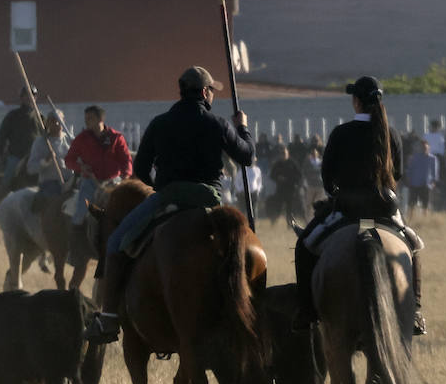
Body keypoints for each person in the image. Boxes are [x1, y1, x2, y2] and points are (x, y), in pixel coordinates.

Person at [84, 66, 252, 343]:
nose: (213, 96)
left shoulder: (160, 123)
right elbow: (247, 157)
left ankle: (109, 319)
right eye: (212, 91)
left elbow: (139, 166)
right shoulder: (219, 123)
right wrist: (242, 127)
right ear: (204, 92)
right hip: (209, 199)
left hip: (168, 197)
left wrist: (159, 187)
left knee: (115, 243)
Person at [293, 76, 424, 334]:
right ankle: (416, 310)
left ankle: (307, 311)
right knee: (415, 246)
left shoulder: (341, 133)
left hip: (348, 209)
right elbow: (396, 174)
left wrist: (337, 193)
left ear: (356, 102)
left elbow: (327, 177)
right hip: (383, 209)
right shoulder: (391, 134)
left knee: (304, 245)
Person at [63, 105, 132, 245]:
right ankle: (76, 247)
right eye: (86, 118)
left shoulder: (116, 137)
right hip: (90, 183)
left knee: (128, 210)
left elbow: (126, 160)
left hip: (113, 183)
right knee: (80, 212)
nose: (87, 121)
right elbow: (69, 160)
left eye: (90, 118)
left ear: (100, 119)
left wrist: (126, 176)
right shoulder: (81, 139)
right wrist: (80, 167)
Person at [0, 87, 39, 194]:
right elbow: (2, 136)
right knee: (7, 181)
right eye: (27, 95)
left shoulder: (40, 118)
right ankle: (0, 201)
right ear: (22, 98)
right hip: (17, 157)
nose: (30, 98)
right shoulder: (13, 116)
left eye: (33, 96)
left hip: (35, 159)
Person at [404, 138, 437, 220]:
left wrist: (433, 183)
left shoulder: (432, 159)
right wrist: (409, 180)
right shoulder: (414, 158)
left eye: (425, 148)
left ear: (428, 148)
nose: (424, 149)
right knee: (412, 203)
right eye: (422, 147)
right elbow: (409, 170)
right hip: (414, 184)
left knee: (425, 204)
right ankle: (409, 219)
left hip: (426, 184)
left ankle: (424, 220)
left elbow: (435, 172)